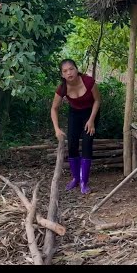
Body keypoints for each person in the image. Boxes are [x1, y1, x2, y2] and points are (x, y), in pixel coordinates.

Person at [51, 59, 101, 194]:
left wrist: (91, 120)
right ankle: (75, 179)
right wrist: (56, 128)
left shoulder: (88, 81)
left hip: (91, 113)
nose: (69, 73)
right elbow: (54, 109)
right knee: (72, 144)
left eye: (71, 69)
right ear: (62, 75)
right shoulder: (62, 88)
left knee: (87, 143)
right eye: (65, 71)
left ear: (76, 69)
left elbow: (97, 100)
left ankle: (84, 181)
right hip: (74, 113)